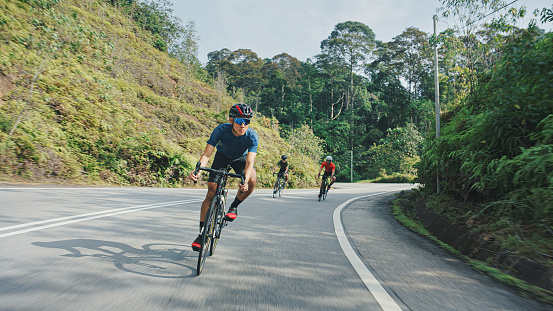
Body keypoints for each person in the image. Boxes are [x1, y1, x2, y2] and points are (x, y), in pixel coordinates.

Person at [188, 103, 258, 251]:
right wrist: (198, 170)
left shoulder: (252, 136)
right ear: (231, 120)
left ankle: (233, 206)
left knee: (252, 179)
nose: (243, 125)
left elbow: (250, 161)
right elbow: (207, 154)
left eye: (247, 121)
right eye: (240, 121)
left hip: (240, 159)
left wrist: (244, 181)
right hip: (222, 157)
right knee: (211, 193)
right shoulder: (220, 130)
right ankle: (201, 235)